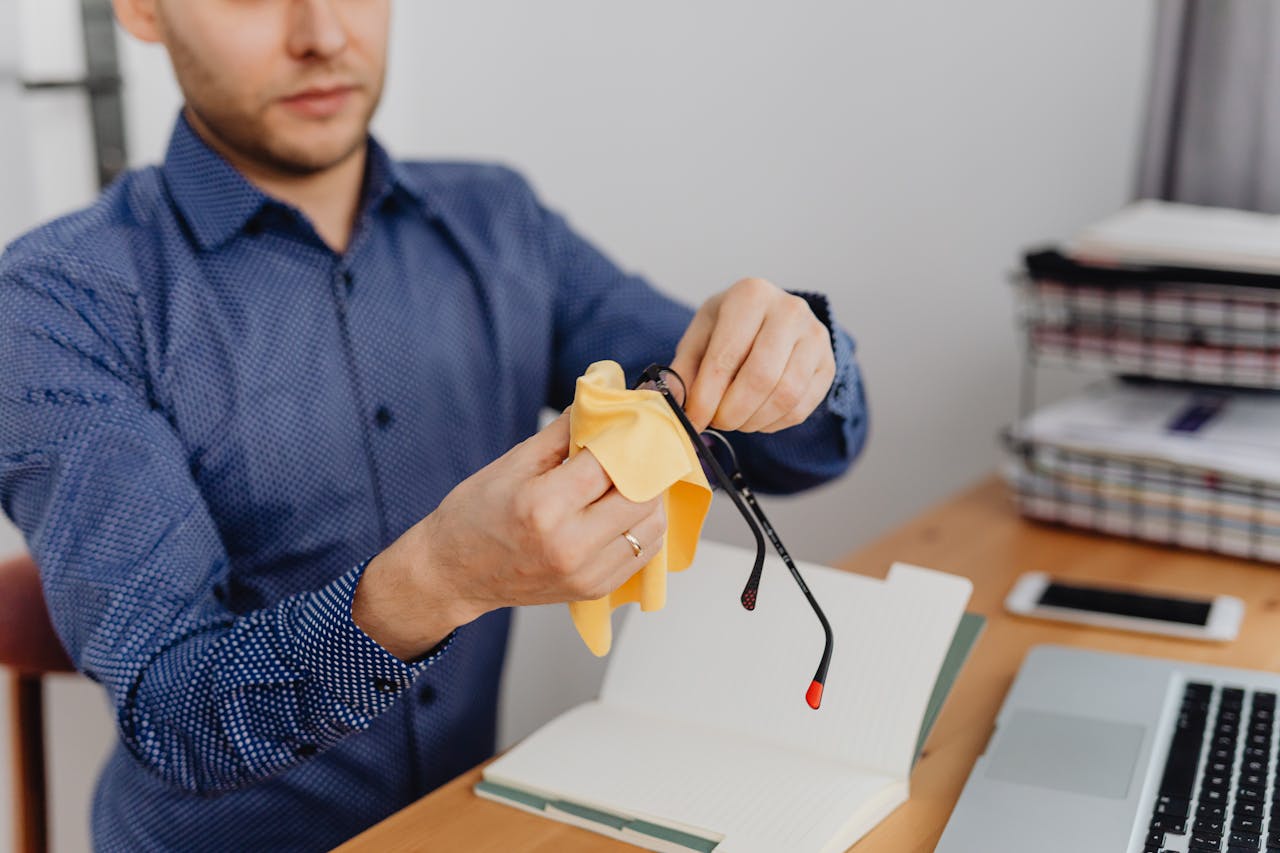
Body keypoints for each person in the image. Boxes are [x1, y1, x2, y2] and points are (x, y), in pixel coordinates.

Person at [0, 1, 868, 849]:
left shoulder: (500, 220)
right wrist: (438, 579)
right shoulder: (55, 302)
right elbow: (176, 711)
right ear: (143, 11)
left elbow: (790, 452)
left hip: (479, 821)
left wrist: (793, 360)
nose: (323, 34)